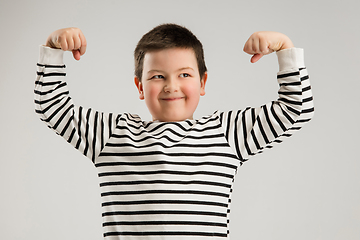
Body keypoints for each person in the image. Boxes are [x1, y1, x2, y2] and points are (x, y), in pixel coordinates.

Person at [34, 23, 314, 239]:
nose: (171, 86)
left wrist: (285, 49)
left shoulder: (225, 134)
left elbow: (296, 109)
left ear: (203, 83)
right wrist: (54, 49)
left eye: (185, 74)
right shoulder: (114, 135)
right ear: (140, 87)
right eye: (157, 76)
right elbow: (52, 106)